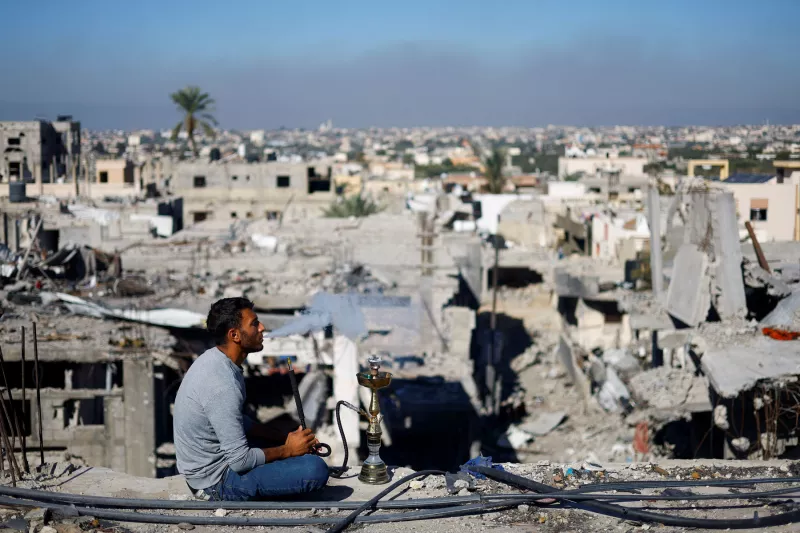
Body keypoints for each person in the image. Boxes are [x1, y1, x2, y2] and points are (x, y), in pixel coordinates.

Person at [174, 297, 329, 501]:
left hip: (216, 462)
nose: (262, 328)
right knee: (314, 469)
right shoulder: (223, 384)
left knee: (283, 440)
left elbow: (239, 422)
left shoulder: (217, 360)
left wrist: (285, 438)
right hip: (215, 482)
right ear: (235, 335)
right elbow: (240, 461)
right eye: (254, 324)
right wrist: (288, 450)